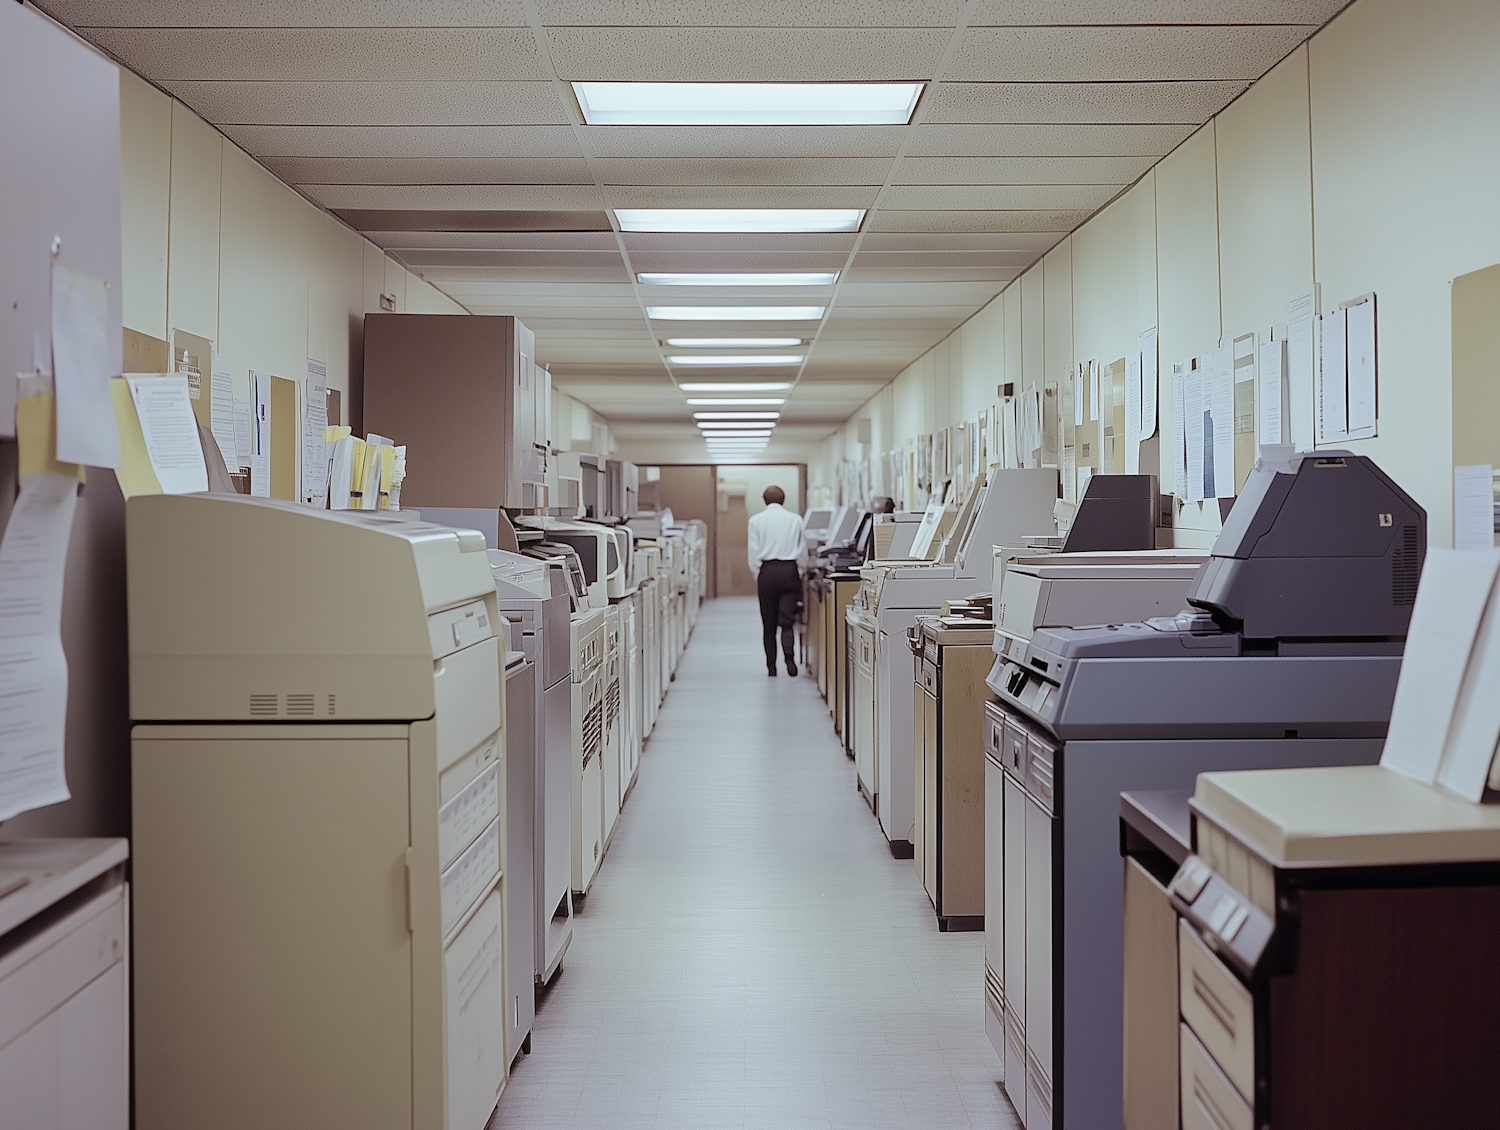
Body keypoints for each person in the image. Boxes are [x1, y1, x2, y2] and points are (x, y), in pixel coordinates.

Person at [747, 485, 805, 677]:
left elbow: (753, 552)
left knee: (768, 623)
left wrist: (759, 573)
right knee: (787, 621)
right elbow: (802, 549)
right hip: (789, 571)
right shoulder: (796, 519)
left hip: (768, 572)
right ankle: (790, 659)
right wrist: (800, 570)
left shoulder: (755, 521)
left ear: (764, 500)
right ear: (783, 499)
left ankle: (771, 667)